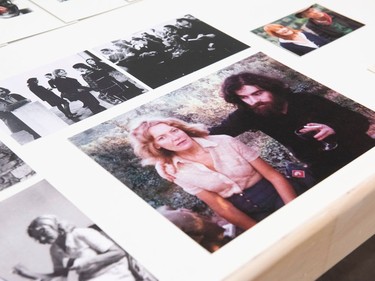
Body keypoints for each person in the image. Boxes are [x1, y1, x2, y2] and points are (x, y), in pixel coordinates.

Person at [129, 117, 300, 231]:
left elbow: (274, 176)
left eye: (174, 131)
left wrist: (294, 209)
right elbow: (221, 207)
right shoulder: (175, 171)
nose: (174, 138)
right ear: (156, 146)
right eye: (162, 138)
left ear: (181, 129)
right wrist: (258, 232)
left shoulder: (225, 141)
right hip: (246, 212)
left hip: (277, 195)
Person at [209, 72, 375, 182]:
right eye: (244, 97)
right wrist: (183, 130)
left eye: (257, 93)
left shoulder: (306, 100)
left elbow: (360, 121)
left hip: (358, 150)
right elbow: (216, 132)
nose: (253, 101)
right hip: (324, 167)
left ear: (271, 88)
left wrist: (332, 127)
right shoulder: (249, 114)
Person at [12, 215, 136, 281]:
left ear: (53, 225)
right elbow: (60, 277)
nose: (43, 239)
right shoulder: (55, 250)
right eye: (38, 238)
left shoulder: (81, 233)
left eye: (43, 232)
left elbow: (118, 253)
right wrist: (29, 274)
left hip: (115, 276)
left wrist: (83, 262)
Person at [295, 5, 364, 41]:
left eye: (312, 9)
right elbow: (327, 37)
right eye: (309, 12)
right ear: (305, 16)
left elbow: (354, 21)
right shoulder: (311, 25)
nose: (314, 11)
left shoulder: (332, 11)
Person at [263, 23, 329, 56]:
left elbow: (325, 41)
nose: (283, 29)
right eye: (278, 30)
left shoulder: (303, 33)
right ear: (276, 34)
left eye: (281, 27)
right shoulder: (285, 45)